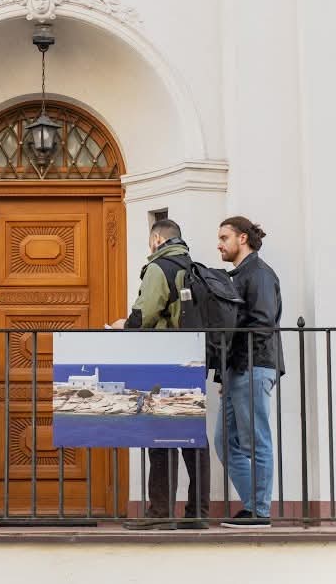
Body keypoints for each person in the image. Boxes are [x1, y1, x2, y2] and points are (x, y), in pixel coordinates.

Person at [112, 218, 210, 530]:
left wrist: (123, 326)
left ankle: (160, 512)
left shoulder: (159, 267)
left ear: (156, 239)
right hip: (192, 358)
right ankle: (198, 513)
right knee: (193, 438)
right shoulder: (194, 268)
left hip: (165, 359)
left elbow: (145, 314)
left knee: (159, 435)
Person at [215, 216, 284, 529]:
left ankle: (259, 510)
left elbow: (262, 323)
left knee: (256, 440)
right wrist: (226, 370)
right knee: (225, 442)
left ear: (242, 238)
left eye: (224, 238)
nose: (219, 244)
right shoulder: (240, 275)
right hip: (238, 368)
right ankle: (253, 507)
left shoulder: (259, 274)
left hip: (254, 366)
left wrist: (237, 361)